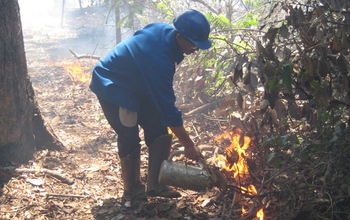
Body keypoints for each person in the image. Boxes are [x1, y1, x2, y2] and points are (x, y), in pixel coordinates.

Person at [89, 9, 211, 201]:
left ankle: (156, 184)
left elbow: (162, 108)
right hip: (113, 85)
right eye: (194, 45)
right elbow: (168, 109)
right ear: (180, 37)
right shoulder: (159, 60)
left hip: (138, 85)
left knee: (159, 129)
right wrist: (188, 144)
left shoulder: (163, 31)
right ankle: (133, 189)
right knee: (129, 134)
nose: (194, 50)